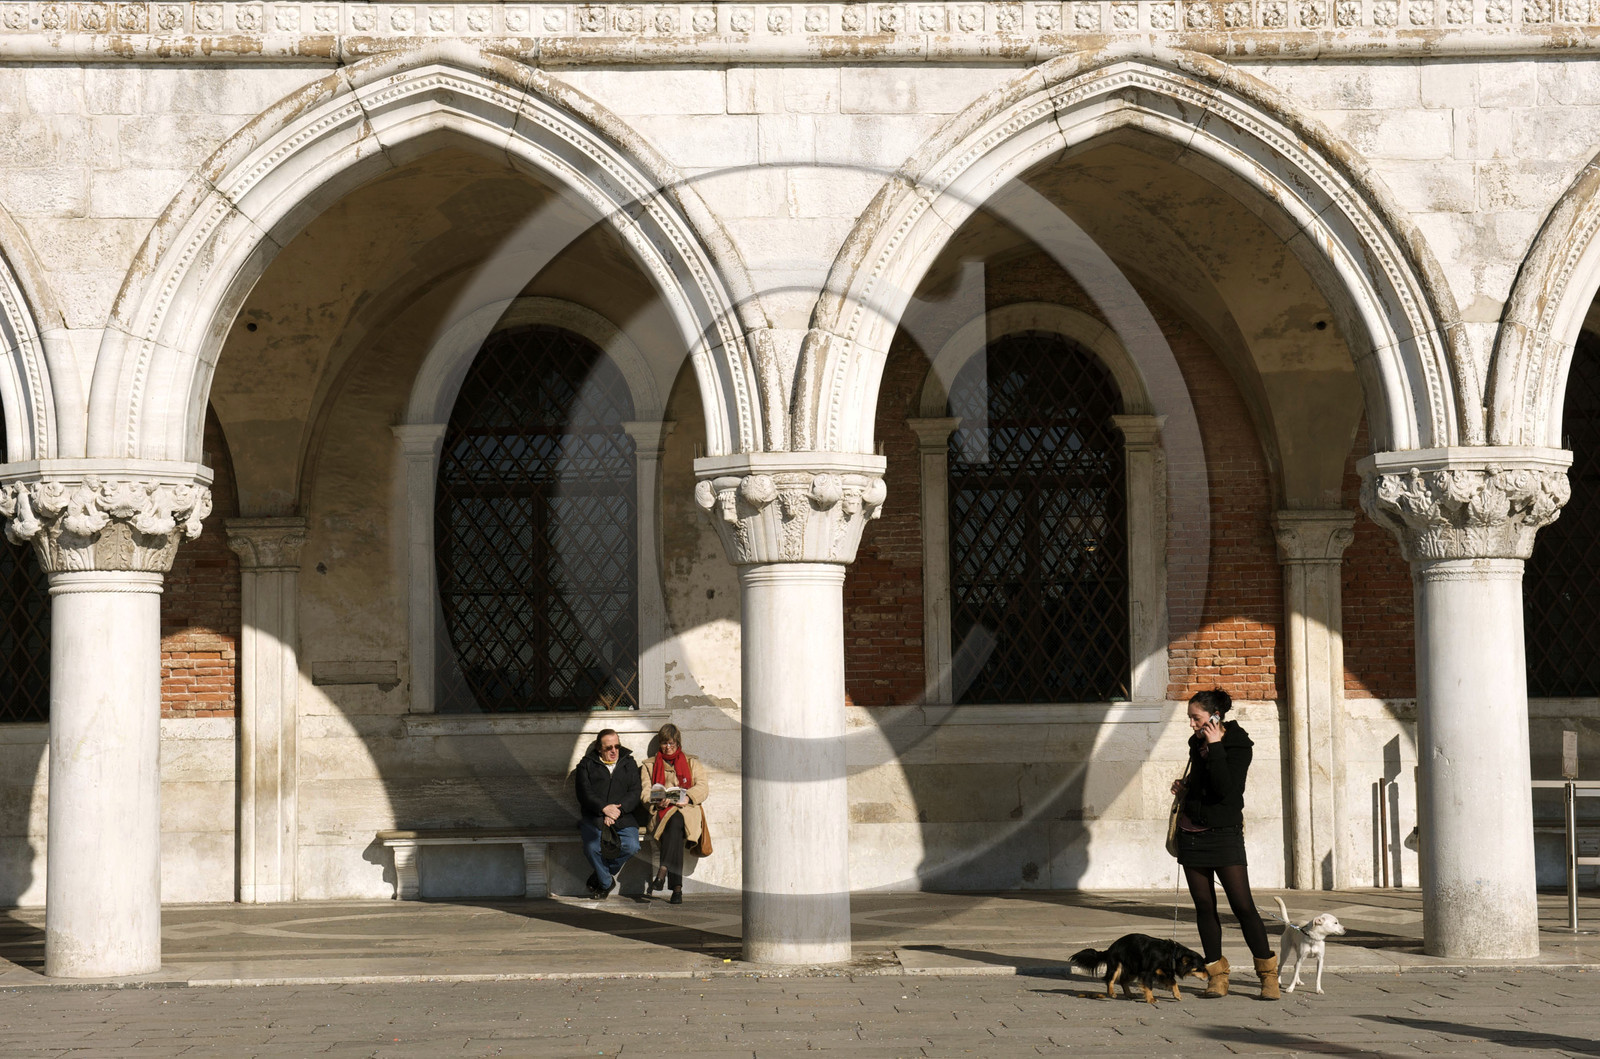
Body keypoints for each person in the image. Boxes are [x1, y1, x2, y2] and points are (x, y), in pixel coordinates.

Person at [1170, 688, 1279, 1000]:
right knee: (1205, 906)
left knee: (1242, 905)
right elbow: (1203, 784)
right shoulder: (1196, 744)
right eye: (1190, 718)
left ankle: (1267, 974)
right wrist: (1185, 787)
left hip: (1224, 833)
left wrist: (1215, 745)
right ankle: (1216, 975)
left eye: (1196, 718)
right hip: (1191, 834)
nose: (1191, 724)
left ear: (1215, 717)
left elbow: (1225, 790)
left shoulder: (1238, 744)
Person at [639, 723, 709, 905]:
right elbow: (645, 793)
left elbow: (702, 787)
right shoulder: (649, 765)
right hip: (661, 812)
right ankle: (676, 889)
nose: (667, 747)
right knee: (675, 826)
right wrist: (656, 800)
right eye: (664, 743)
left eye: (671, 743)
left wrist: (689, 797)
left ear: (678, 743)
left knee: (677, 819)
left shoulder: (692, 762)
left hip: (687, 809)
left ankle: (662, 871)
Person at [574, 728, 641, 899]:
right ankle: (606, 882)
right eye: (608, 747)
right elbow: (584, 792)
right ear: (599, 748)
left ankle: (601, 875)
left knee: (632, 846)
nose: (614, 751)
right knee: (591, 848)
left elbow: (635, 791)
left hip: (622, 816)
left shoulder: (629, 763)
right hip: (595, 816)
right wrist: (604, 808)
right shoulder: (586, 765)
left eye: (617, 746)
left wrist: (617, 811)